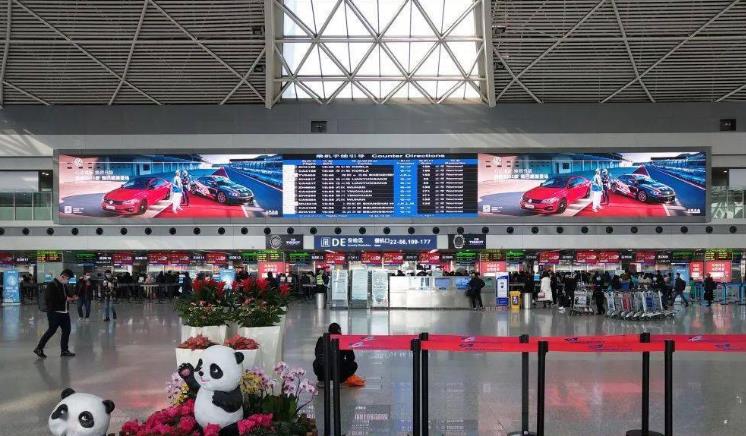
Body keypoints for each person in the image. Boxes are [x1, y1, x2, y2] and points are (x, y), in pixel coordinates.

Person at [34, 269, 77, 358]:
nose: (68, 281)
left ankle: (64, 350)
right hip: (54, 313)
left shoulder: (64, 285)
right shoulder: (52, 285)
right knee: (51, 331)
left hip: (65, 312)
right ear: (63, 276)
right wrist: (66, 299)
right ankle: (39, 348)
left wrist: (72, 297)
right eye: (68, 279)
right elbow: (50, 299)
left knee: (67, 331)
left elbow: (66, 295)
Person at [312, 323, 363, 388]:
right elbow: (351, 357)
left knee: (317, 362)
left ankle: (322, 379)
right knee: (353, 364)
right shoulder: (343, 340)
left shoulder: (321, 339)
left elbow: (317, 354)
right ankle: (341, 379)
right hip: (339, 372)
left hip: (323, 371)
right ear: (339, 331)